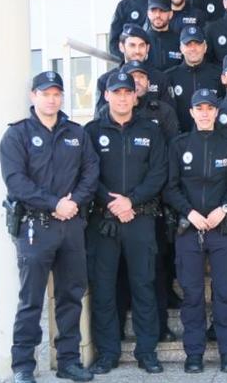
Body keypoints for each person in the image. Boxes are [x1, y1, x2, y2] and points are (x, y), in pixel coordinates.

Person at [0, 72, 100, 383]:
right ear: (33, 96)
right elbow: (16, 182)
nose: (52, 99)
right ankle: (23, 366)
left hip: (71, 226)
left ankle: (68, 360)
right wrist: (54, 203)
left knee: (71, 296)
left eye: (57, 93)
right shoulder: (16, 135)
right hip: (35, 227)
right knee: (31, 299)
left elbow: (91, 171)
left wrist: (74, 202)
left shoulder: (76, 133)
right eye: (46, 93)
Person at [84, 71, 167, 375]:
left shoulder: (152, 131)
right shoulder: (91, 132)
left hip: (140, 219)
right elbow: (87, 175)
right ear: (106, 95)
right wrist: (112, 203)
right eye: (115, 92)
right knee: (104, 289)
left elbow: (159, 173)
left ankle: (147, 352)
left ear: (135, 96)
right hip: (103, 222)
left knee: (143, 286)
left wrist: (130, 201)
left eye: (126, 92)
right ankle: (108, 353)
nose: (121, 97)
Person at [163, 89, 227, 373]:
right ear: (192, 112)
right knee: (192, 294)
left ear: (217, 111)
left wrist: (223, 209)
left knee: (224, 292)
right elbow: (170, 187)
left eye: (210, 107)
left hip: (223, 229)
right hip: (189, 229)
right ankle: (194, 354)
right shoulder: (179, 145)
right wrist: (190, 212)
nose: (205, 112)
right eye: (200, 108)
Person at [165, 26, 224, 132]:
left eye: (197, 44)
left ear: (205, 47)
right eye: (188, 44)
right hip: (180, 139)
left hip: (212, 138)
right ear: (181, 48)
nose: (193, 48)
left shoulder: (218, 74)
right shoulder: (169, 76)